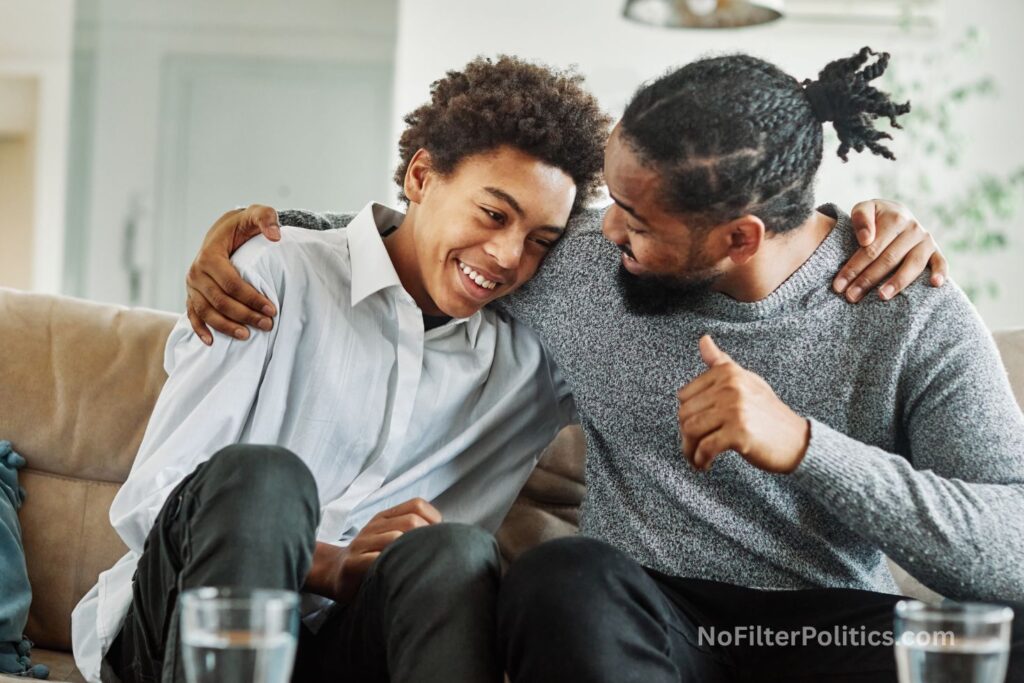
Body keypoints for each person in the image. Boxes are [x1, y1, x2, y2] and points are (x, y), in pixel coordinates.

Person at [188, 48, 1024, 682]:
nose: (603, 235)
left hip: (822, 631)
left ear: (739, 237)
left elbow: (1012, 550)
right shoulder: (583, 265)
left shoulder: (909, 307)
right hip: (637, 616)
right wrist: (262, 233)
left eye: (634, 218)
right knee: (559, 573)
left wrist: (807, 444)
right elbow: (434, 235)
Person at [71, 56, 608, 683]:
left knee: (455, 550)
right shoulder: (275, 274)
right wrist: (327, 565)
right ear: (421, 175)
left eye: (541, 240)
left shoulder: (541, 359)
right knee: (264, 479)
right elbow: (154, 500)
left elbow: (650, 256)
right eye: (493, 214)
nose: (509, 256)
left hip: (347, 650)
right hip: (181, 631)